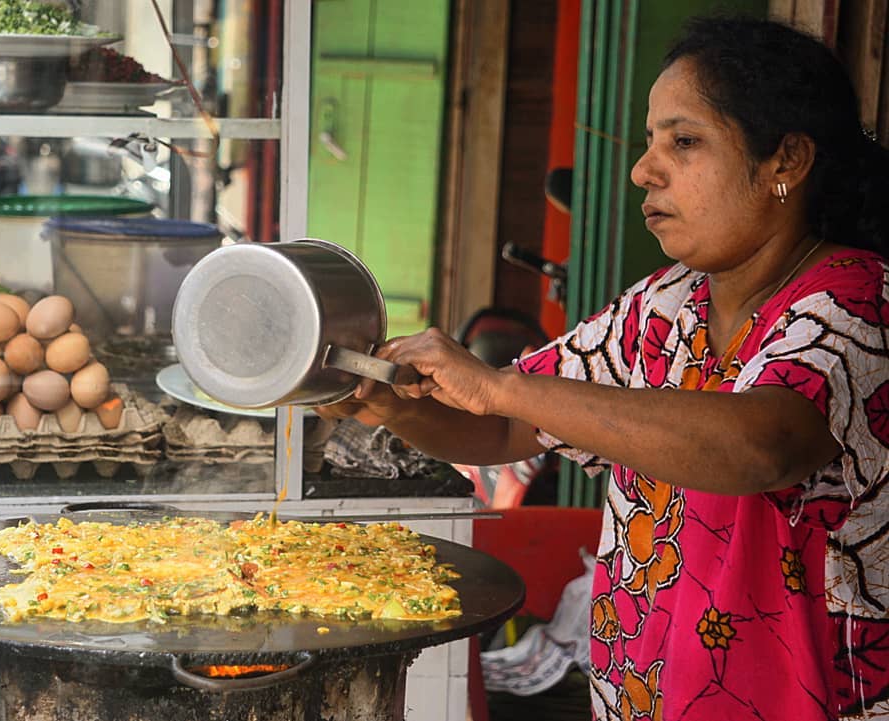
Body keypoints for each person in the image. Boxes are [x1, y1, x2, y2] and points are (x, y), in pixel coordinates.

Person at [319, 16, 889, 721]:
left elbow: (760, 446)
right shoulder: (664, 307)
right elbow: (505, 434)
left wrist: (498, 384)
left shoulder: (853, 302)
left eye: (684, 142)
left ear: (785, 163)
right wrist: (395, 405)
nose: (643, 170)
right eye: (651, 143)